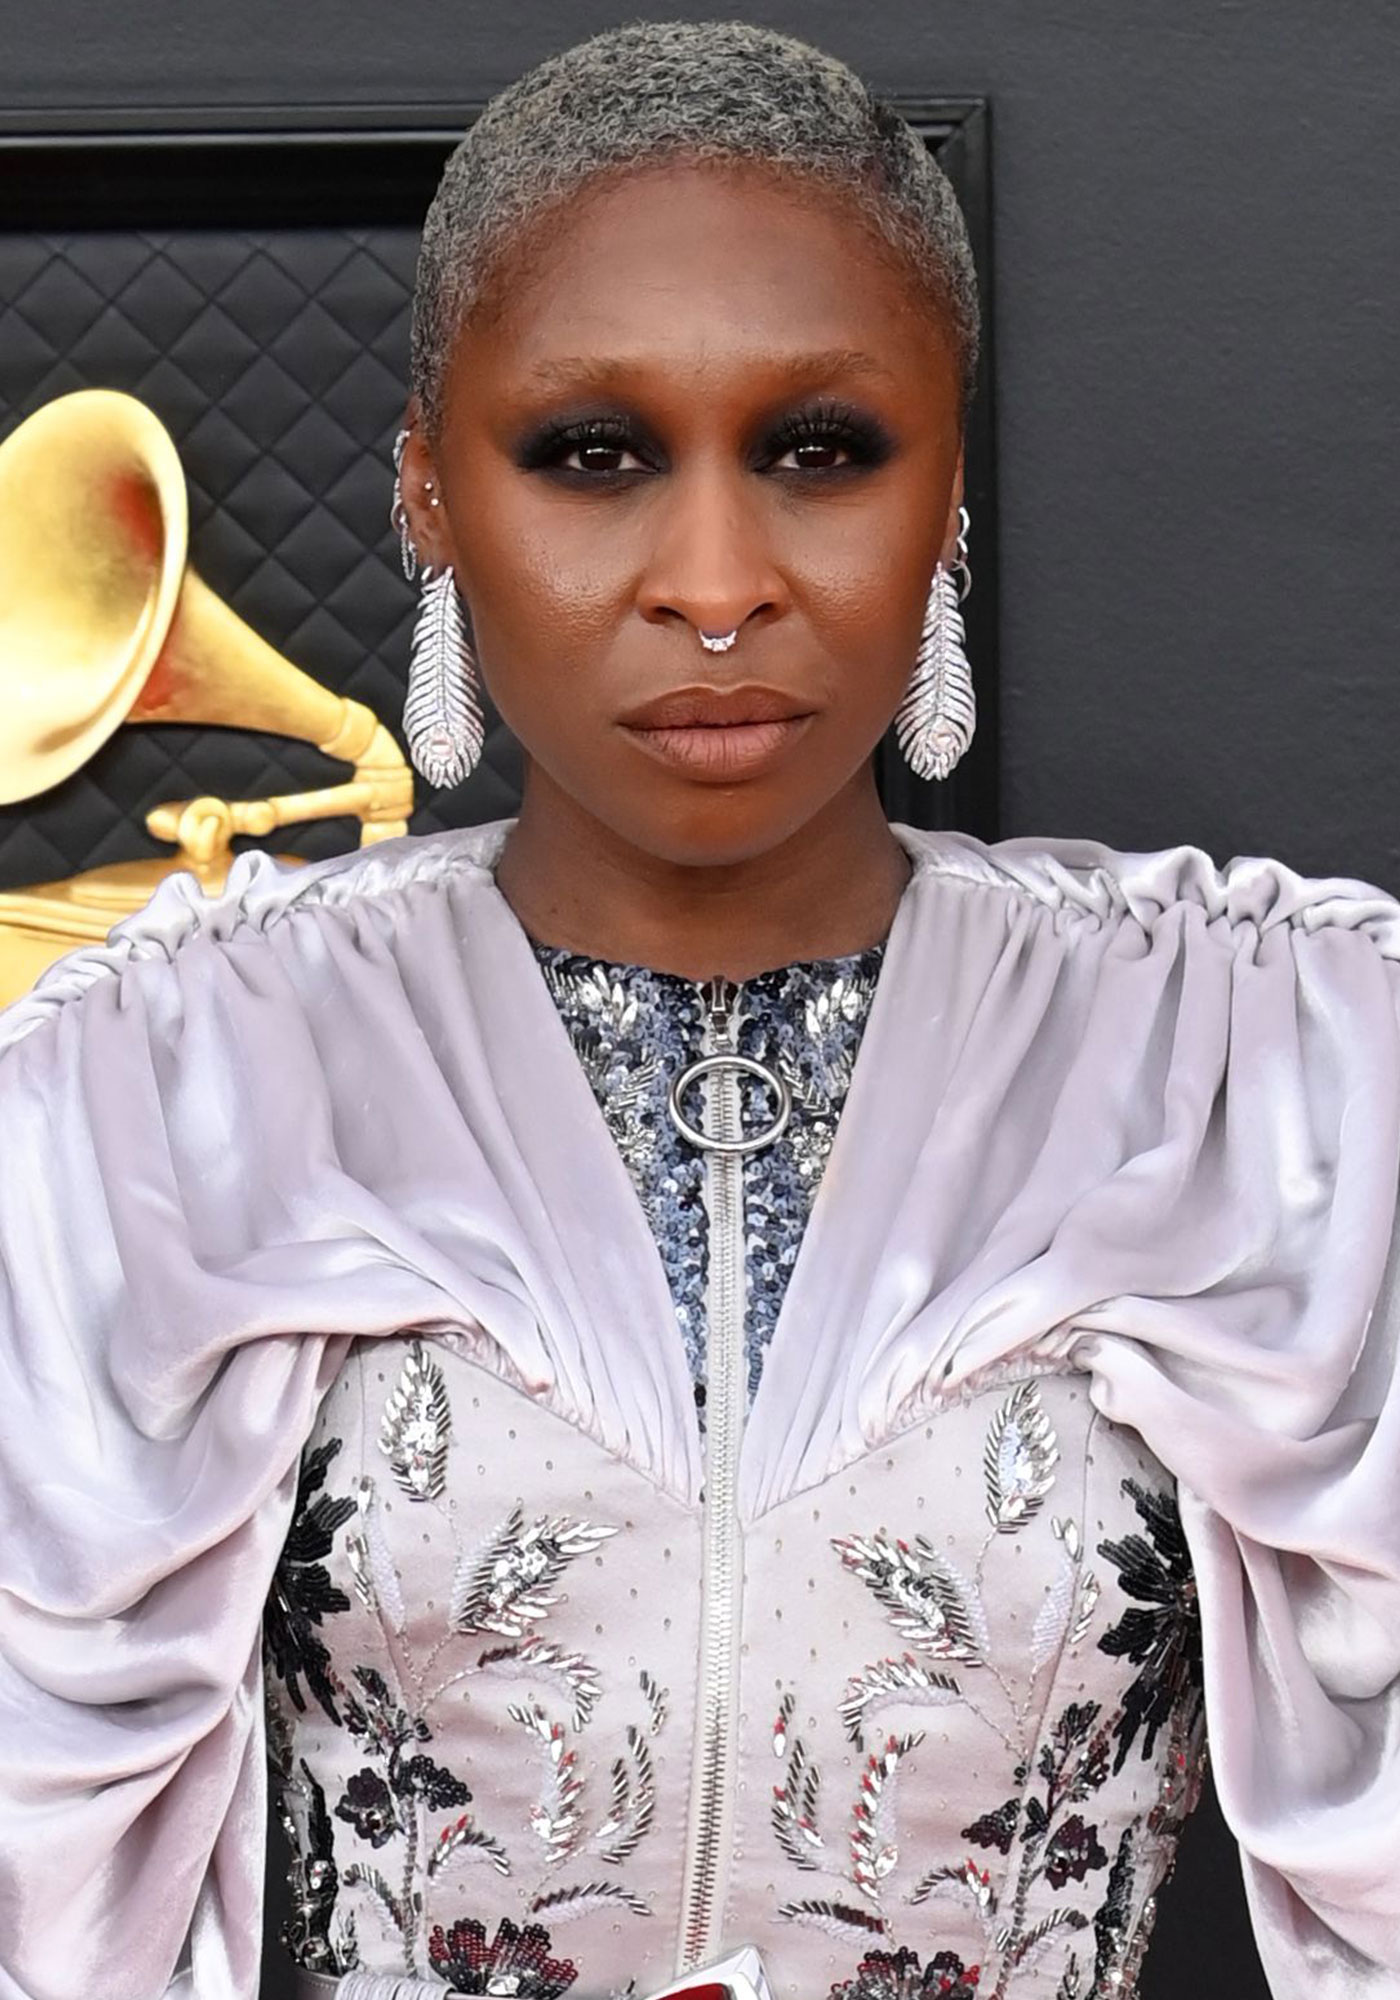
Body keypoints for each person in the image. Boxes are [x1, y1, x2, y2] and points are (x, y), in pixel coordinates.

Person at [0, 19, 1398, 2000]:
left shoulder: (1270, 1066)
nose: (717, 581)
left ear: (948, 493)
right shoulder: (156, 1096)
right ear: (426, 492)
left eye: (821, 449)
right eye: (594, 454)